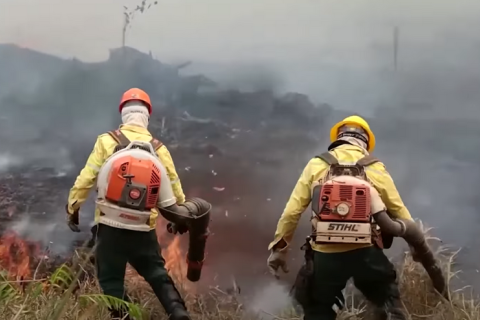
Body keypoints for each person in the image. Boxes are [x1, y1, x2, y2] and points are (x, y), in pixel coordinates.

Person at [267, 115, 412, 320]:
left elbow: (291, 212)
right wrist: (416, 246)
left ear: (339, 137)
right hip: (366, 252)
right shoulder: (375, 167)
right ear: (365, 142)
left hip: (325, 255)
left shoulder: (316, 165)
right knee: (388, 302)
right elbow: (400, 213)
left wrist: (279, 249)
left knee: (318, 309)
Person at [65, 88, 193, 320]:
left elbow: (86, 178)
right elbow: (174, 187)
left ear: (123, 114)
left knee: (110, 278)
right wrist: (180, 217)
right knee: (156, 273)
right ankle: (178, 312)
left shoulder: (107, 141)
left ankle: (124, 316)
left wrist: (73, 208)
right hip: (143, 229)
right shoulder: (159, 148)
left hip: (109, 226)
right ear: (147, 115)